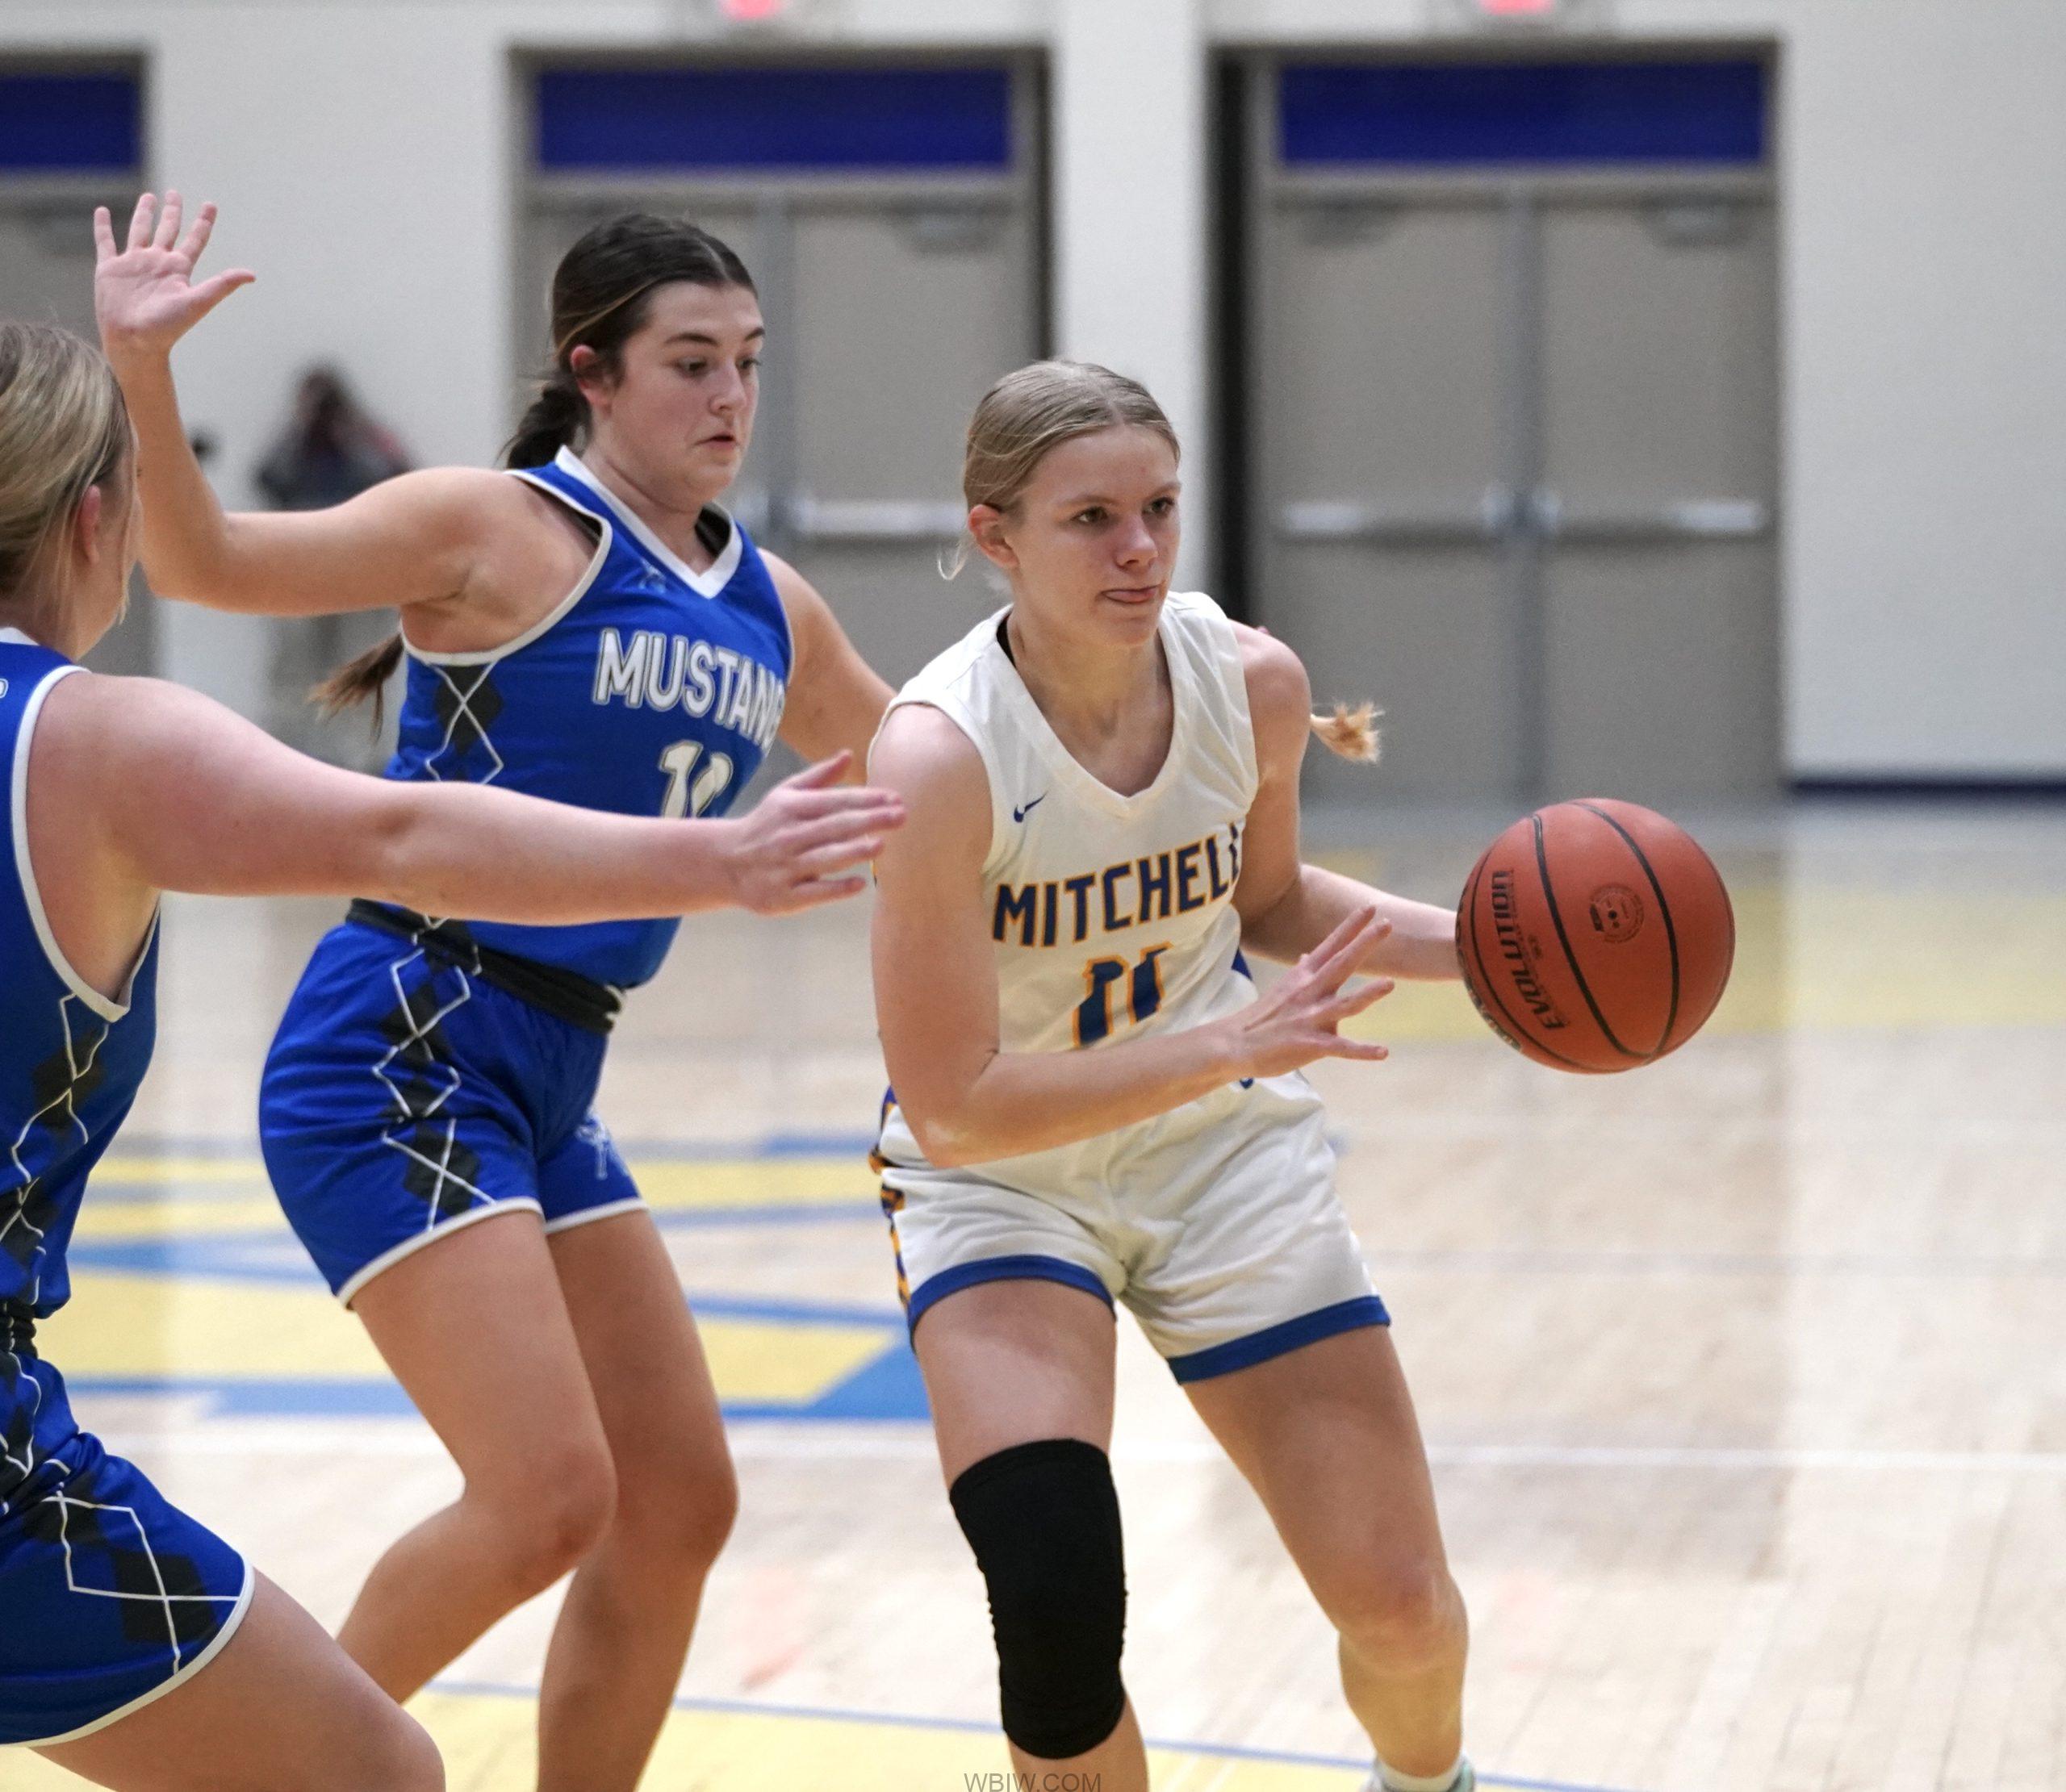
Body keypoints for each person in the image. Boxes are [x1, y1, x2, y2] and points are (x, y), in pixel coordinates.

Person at [0, 319, 897, 1787]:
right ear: (593, 372)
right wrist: (721, 860)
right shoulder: (490, 530)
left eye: (750, 356)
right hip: (413, 1031)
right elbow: (392, 812)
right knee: (537, 1512)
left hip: (550, 1065)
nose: (730, 391)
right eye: (691, 359)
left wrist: (1114, 755)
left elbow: (930, 762)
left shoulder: (766, 603)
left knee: (672, 1497)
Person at [867, 361, 1474, 1792]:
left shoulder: (1249, 684)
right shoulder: (938, 755)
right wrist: (1226, 1044)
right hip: (1004, 1186)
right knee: (1054, 1604)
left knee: (1400, 1609)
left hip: (1219, 1161)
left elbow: (1271, 901)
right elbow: (951, 1103)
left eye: (1160, 509)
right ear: (996, 534)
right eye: (1092, 519)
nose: (1138, 549)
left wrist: (1496, 955)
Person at [252, 366, 412, 759]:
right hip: (301, 570)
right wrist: (301, 430)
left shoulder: (367, 437)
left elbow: (395, 477)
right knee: (294, 671)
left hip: (360, 572)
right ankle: (287, 755)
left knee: (359, 666)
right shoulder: (296, 442)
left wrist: (349, 436)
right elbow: (269, 478)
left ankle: (363, 759)